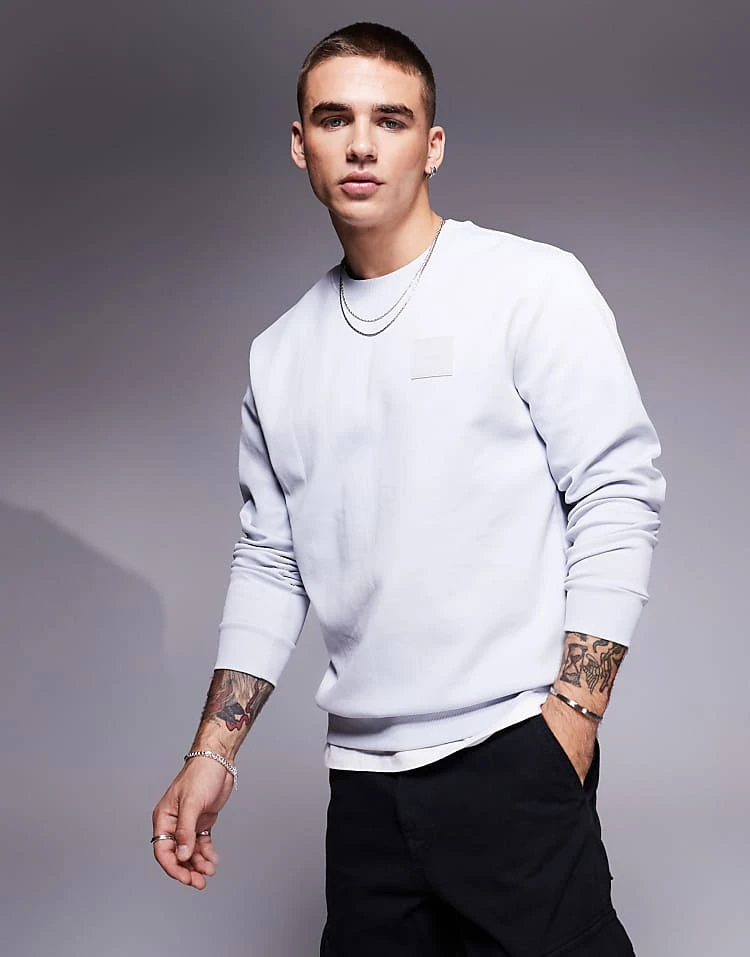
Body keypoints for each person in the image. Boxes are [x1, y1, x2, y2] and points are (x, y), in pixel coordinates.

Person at [152, 21, 665, 957]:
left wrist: (573, 719)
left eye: (389, 120)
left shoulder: (528, 286)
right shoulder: (279, 354)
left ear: (431, 146)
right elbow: (270, 559)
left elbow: (617, 491)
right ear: (300, 145)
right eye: (334, 119)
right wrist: (212, 751)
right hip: (363, 788)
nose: (360, 144)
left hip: (514, 752)